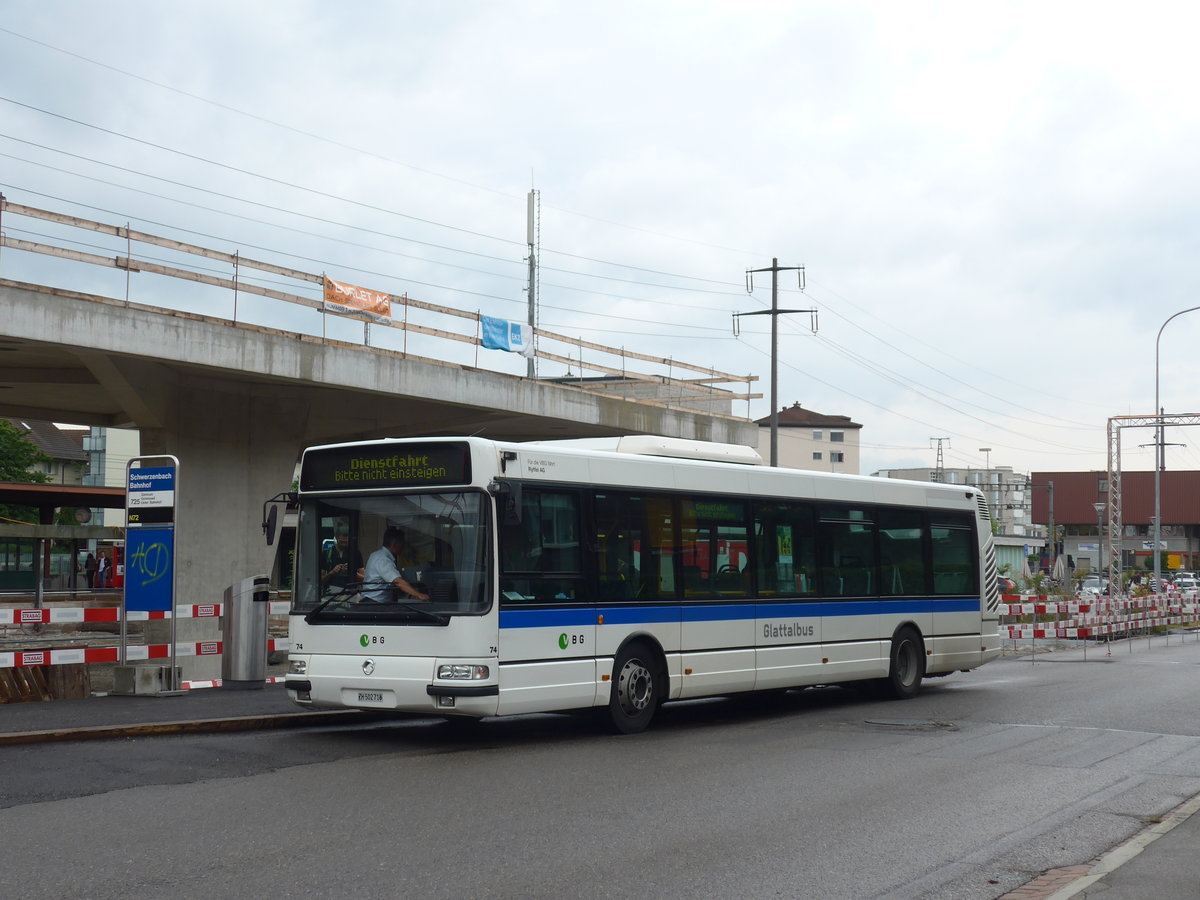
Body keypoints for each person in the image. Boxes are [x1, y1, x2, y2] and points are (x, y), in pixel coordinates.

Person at [363, 527, 429, 602]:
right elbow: (398, 582)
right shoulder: (383, 559)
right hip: (375, 604)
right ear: (395, 545)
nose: (403, 547)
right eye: (402, 544)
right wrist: (419, 595)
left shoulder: (376, 554)